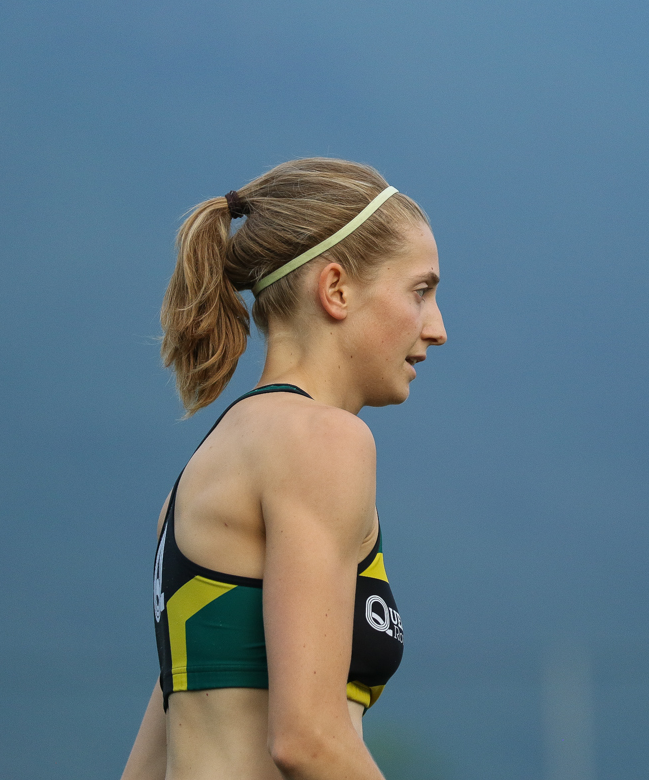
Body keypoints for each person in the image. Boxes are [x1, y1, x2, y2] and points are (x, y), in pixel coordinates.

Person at [120, 158, 447, 780]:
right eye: (420, 291)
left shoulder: (203, 472)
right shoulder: (323, 442)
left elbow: (149, 768)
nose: (437, 328)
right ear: (336, 289)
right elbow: (308, 739)